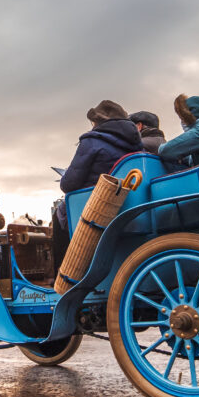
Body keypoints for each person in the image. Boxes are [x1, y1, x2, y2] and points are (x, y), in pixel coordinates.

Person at [52, 100, 142, 270]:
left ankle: (62, 273)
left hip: (95, 205)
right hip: (126, 204)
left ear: (98, 122)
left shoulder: (91, 142)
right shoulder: (136, 145)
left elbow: (68, 184)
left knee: (59, 216)